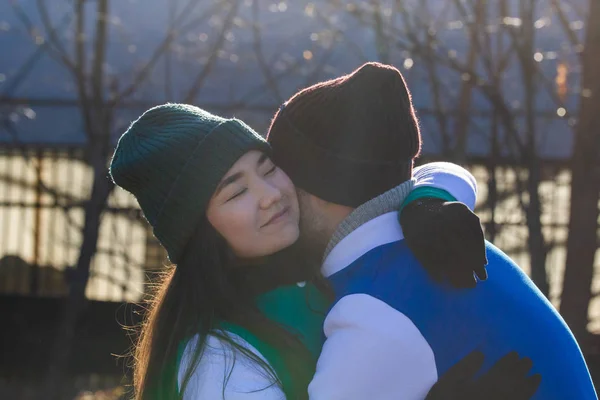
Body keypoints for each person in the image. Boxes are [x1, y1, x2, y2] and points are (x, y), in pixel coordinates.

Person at [110, 104, 539, 399]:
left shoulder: (326, 260)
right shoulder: (217, 358)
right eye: (236, 192)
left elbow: (430, 170)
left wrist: (424, 203)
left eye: (268, 168)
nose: (270, 195)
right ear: (199, 233)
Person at [266, 62, 597, 399]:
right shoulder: (441, 244)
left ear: (322, 186)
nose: (268, 195)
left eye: (278, 174)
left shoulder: (373, 314)